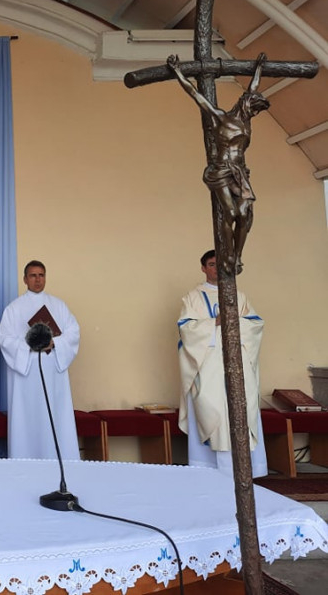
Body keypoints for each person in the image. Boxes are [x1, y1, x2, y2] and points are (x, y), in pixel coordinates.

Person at [167, 53, 269, 275]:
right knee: (230, 212)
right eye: (254, 108)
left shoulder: (246, 122)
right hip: (221, 170)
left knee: (244, 213)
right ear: (246, 104)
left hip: (239, 172)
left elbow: (253, 87)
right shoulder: (220, 117)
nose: (255, 113)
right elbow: (195, 94)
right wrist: (177, 72)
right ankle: (228, 255)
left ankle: (238, 256)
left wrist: (259, 68)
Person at [177, 249, 267, 477]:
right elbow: (186, 329)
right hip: (207, 364)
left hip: (238, 363)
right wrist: (215, 323)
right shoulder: (193, 297)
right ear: (203, 268)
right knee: (209, 407)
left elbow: (255, 324)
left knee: (243, 407)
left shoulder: (239, 296)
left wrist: (232, 322)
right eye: (211, 264)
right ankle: (209, 470)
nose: (217, 268)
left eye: (220, 264)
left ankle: (244, 472)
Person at [0, 260, 81, 460]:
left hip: (53, 372)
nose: (37, 279)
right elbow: (5, 338)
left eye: (41, 275)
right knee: (27, 417)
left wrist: (54, 343)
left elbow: (73, 333)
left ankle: (58, 460)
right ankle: (25, 459)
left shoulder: (59, 306)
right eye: (33, 275)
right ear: (25, 279)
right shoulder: (14, 308)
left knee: (55, 415)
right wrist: (29, 344)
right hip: (27, 373)